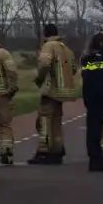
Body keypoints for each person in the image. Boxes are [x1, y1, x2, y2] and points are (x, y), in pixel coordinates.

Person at [29, 24, 77, 165]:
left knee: (44, 120)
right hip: (63, 91)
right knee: (56, 122)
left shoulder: (48, 46)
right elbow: (73, 68)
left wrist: (39, 79)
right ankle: (57, 149)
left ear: (45, 34)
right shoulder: (66, 48)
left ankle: (43, 151)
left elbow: (44, 64)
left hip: (50, 90)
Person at [82, 33, 103, 172]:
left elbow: (86, 82)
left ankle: (94, 158)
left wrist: (86, 99)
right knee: (97, 130)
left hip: (91, 100)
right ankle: (97, 160)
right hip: (101, 101)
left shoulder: (88, 60)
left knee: (92, 130)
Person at [0, 30, 20, 165]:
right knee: (5, 125)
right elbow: (12, 71)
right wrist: (12, 88)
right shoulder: (3, 53)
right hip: (1, 95)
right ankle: (6, 150)